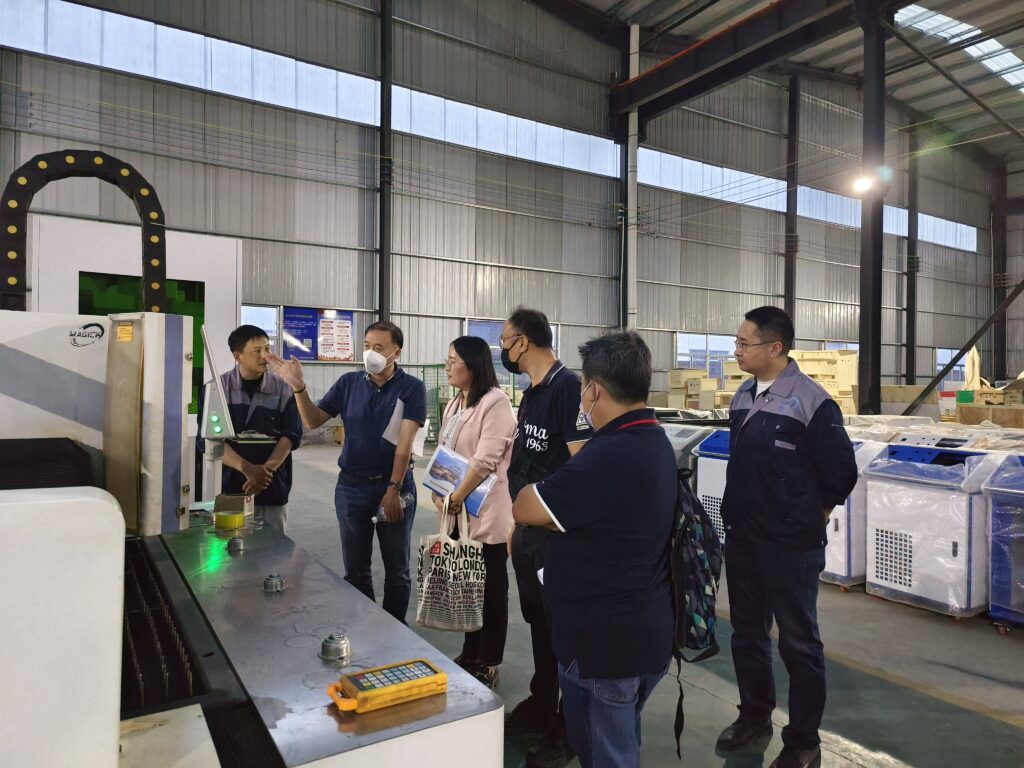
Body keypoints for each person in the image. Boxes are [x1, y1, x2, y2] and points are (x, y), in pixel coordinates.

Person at [512, 331, 675, 768]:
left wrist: (537, 485)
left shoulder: (607, 454)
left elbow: (526, 506)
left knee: (610, 756)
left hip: (607, 648)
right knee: (608, 746)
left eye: (584, 387)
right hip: (637, 632)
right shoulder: (653, 438)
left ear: (594, 390)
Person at [715, 306, 857, 768]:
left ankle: (803, 741)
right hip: (744, 541)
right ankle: (755, 715)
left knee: (799, 642)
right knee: (747, 635)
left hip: (790, 548)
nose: (737, 351)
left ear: (774, 348)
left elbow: (841, 475)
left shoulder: (812, 402)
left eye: (744, 344)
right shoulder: (742, 397)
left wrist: (807, 517)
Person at [268, 321, 426, 623]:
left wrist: (393, 490)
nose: (370, 353)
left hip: (394, 487)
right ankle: (363, 627)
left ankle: (395, 632)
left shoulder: (411, 388)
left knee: (397, 568)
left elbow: (403, 446)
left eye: (378, 348)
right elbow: (313, 421)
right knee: (356, 569)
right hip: (351, 489)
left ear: (397, 352)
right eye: (367, 345)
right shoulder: (348, 383)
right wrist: (298, 387)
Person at [501, 307, 591, 768]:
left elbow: (581, 464)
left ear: (526, 341)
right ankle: (541, 702)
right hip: (529, 532)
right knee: (538, 621)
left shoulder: (567, 389)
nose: (503, 349)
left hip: (555, 537)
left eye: (505, 339)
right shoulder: (531, 392)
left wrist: (552, 522)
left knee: (563, 630)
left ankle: (568, 724)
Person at [431, 335, 516, 690]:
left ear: (473, 365)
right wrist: (440, 491)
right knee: (467, 585)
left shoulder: (495, 403)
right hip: (456, 509)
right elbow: (445, 451)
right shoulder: (457, 403)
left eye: (454, 360)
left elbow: (485, 460)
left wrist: (456, 496)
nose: (448, 365)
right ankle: (471, 651)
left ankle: (490, 660)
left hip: (484, 511)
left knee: (490, 589)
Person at [209, 324, 302, 533]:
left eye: (267, 349)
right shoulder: (218, 389)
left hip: (272, 488)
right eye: (257, 351)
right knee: (230, 550)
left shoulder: (284, 388)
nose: (265, 356)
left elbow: (290, 436)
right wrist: (247, 468)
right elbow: (212, 440)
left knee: (273, 552)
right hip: (232, 488)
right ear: (238, 356)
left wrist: (264, 472)